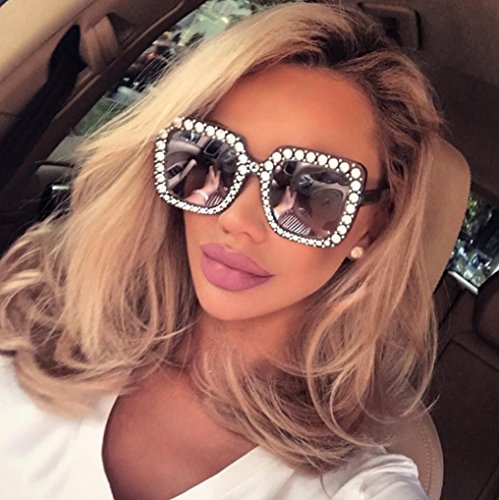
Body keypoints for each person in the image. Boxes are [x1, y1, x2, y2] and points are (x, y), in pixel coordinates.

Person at [0, 2, 443, 499]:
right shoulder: (39, 319)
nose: (237, 221)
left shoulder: (356, 488)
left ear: (371, 227)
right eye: (211, 158)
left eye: (313, 191)